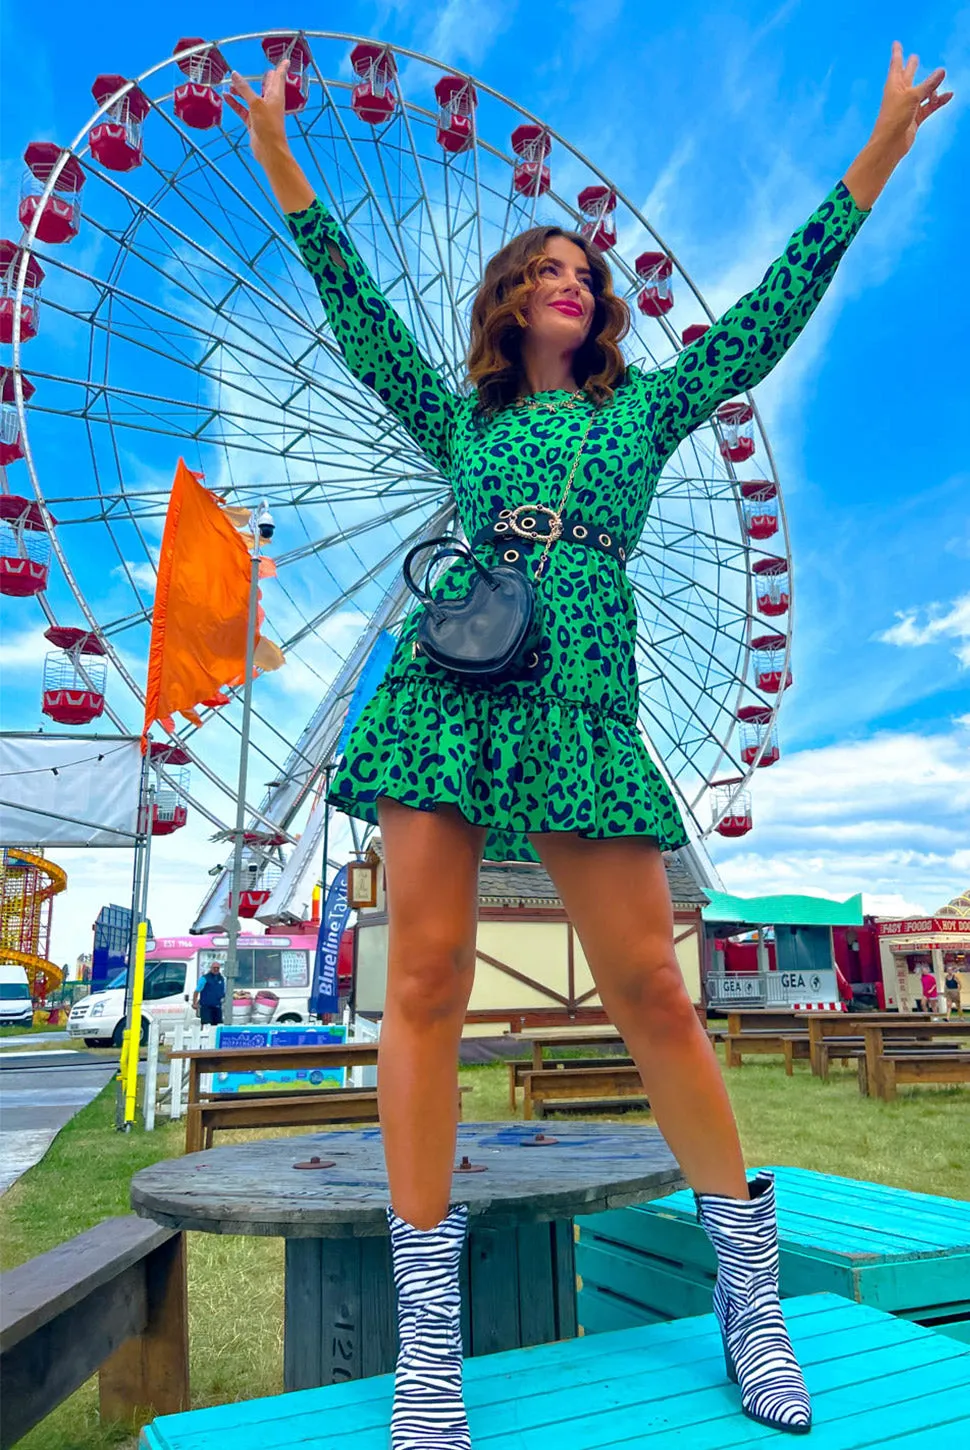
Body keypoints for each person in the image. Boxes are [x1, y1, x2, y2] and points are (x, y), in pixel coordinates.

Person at [228, 41, 951, 1446]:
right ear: (510, 300)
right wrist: (275, 153)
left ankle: (753, 1300)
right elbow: (359, 314)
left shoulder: (642, 406)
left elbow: (761, 321)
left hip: (579, 702)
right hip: (452, 686)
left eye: (585, 270)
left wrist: (874, 158)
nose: (576, 279)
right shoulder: (460, 424)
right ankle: (428, 1343)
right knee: (422, 983)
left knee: (653, 994)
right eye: (547, 268)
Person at [193, 959, 226, 1027]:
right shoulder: (204, 978)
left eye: (218, 968)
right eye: (214, 968)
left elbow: (224, 992)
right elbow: (197, 991)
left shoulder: (221, 978)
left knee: (218, 1026)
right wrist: (194, 1003)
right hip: (206, 1007)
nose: (216, 969)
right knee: (206, 1026)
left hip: (217, 1007)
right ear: (211, 968)